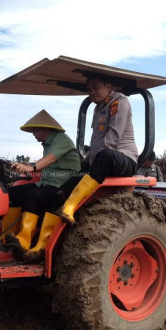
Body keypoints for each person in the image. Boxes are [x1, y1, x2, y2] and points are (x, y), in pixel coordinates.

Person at [58, 74, 138, 224]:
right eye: (89, 89)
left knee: (106, 155)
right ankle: (42, 239)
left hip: (123, 159)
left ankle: (70, 206)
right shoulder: (98, 108)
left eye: (96, 87)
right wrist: (85, 162)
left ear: (108, 87)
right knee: (66, 186)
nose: (92, 92)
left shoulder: (120, 102)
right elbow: (96, 140)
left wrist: (93, 163)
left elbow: (112, 139)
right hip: (103, 160)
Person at [5, 110, 81, 260]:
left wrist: (31, 168)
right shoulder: (48, 144)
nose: (33, 133)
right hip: (47, 182)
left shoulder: (61, 139)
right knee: (10, 193)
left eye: (35, 130)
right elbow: (46, 160)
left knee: (32, 195)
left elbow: (52, 158)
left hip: (63, 184)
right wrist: (24, 166)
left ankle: (24, 241)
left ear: (45, 128)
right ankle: (6, 238)